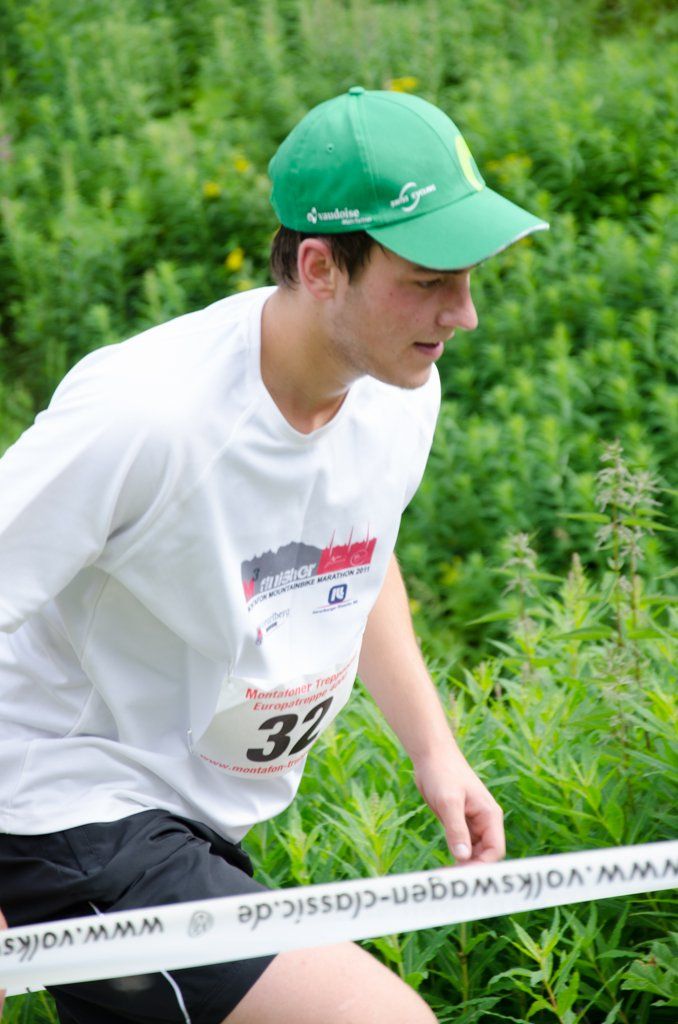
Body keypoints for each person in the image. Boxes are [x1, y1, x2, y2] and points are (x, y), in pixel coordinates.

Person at [0, 87, 548, 1023]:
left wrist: (435, 750)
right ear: (320, 266)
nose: (463, 314)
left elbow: (356, 557)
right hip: (66, 808)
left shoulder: (400, 386)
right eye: (427, 280)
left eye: (468, 278)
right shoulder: (147, 415)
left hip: (195, 819)